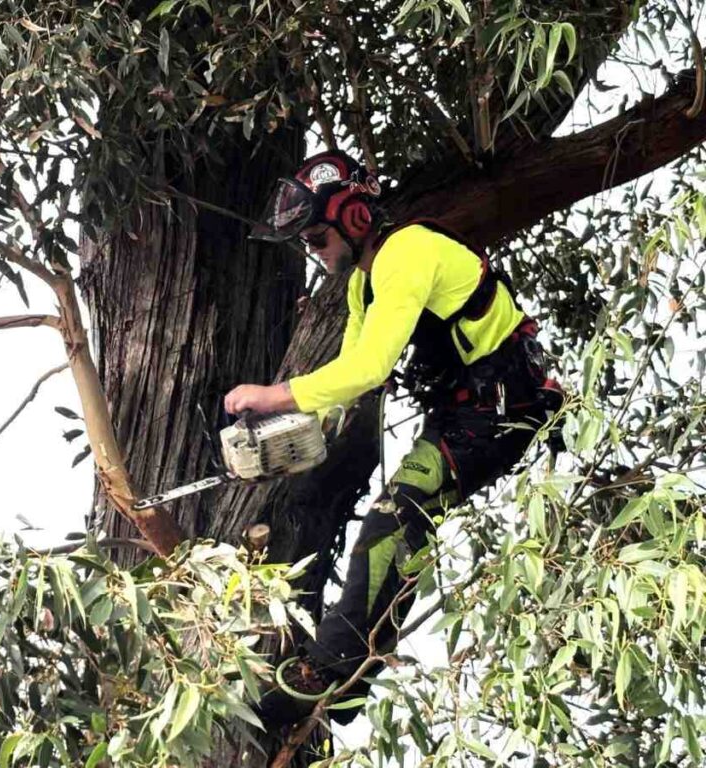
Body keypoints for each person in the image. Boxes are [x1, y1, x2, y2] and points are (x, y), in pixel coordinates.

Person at [224, 149, 563, 726]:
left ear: (355, 217)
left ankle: (327, 672)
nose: (313, 249)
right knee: (399, 522)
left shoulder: (407, 252)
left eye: (317, 236)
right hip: (461, 414)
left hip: (503, 410)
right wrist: (289, 438)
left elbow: (371, 367)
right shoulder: (363, 284)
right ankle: (353, 682)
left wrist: (272, 396)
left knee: (395, 518)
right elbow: (349, 377)